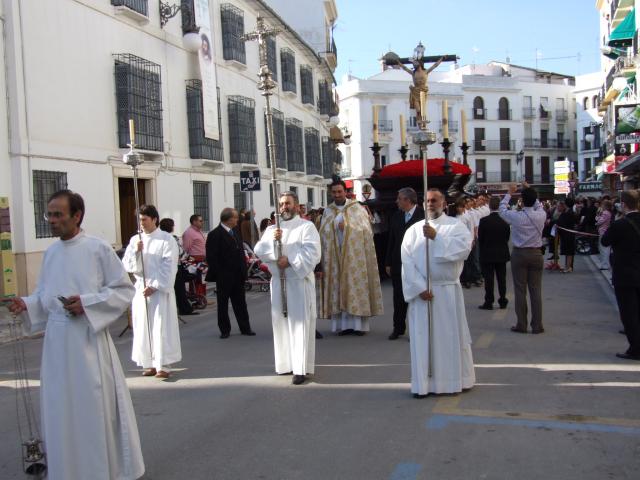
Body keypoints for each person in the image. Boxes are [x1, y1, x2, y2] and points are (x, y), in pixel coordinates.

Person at [7, 190, 145, 479]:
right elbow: (44, 295)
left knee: (90, 410)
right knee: (60, 410)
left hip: (88, 343)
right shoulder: (51, 252)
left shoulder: (98, 248)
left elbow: (123, 290)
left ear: (77, 215)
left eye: (58, 214)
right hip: (57, 347)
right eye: (49, 215)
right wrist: (26, 304)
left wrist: (87, 303)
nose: (52, 221)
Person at [401, 188, 474, 397]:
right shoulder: (413, 230)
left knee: (449, 338)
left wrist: (437, 237)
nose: (430, 204)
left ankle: (453, 381)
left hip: (447, 292)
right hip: (423, 295)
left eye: (434, 200)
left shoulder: (456, 226)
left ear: (444, 204)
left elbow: (463, 250)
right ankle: (423, 384)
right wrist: (419, 288)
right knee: (423, 339)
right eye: (427, 201)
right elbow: (406, 261)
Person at [254, 191, 322, 385]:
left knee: (299, 324)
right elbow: (259, 250)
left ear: (297, 206)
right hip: (279, 283)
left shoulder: (307, 227)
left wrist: (290, 261)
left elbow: (313, 253)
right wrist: (273, 245)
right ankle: (285, 364)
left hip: (298, 282)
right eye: (282, 204)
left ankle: (300, 368)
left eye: (288, 203)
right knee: (281, 323)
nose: (284, 207)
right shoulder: (273, 229)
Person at [123, 204, 182, 379]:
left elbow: (169, 265)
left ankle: (163, 364)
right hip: (141, 289)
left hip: (159, 291)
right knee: (143, 327)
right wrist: (135, 252)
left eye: (144, 220)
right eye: (139, 220)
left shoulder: (166, 239)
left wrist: (155, 285)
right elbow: (127, 265)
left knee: (160, 327)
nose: (141, 223)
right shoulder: (135, 240)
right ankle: (148, 362)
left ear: (154, 219)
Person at [318, 179, 383, 335]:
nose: (337, 194)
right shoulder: (328, 211)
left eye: (340, 191)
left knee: (355, 288)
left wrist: (347, 228)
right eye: (334, 192)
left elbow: (366, 231)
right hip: (334, 258)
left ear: (345, 191)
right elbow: (322, 234)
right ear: (330, 193)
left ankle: (359, 326)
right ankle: (343, 326)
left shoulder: (357, 208)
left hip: (354, 257)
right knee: (338, 289)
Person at [499, 182, 546, 334]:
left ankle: (522, 324)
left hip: (519, 254)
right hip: (536, 253)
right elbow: (538, 205)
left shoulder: (516, 217)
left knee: (520, 290)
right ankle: (537, 325)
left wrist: (509, 193)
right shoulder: (541, 215)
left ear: (522, 201)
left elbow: (502, 210)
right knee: (536, 290)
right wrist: (529, 190)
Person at [601, 190, 640, 360]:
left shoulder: (620, 224)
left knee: (629, 313)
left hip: (625, 274)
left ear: (623, 205)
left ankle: (635, 348)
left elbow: (605, 240)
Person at [205, 208, 255, 338]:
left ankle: (245, 327)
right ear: (229, 219)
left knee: (240, 303)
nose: (238, 220)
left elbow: (240, 252)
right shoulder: (215, 234)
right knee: (223, 304)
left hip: (238, 275)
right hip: (224, 276)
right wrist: (220, 274)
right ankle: (225, 330)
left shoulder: (235, 231)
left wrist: (244, 270)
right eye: (236, 218)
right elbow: (211, 257)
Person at [384, 187, 424, 340]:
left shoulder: (423, 216)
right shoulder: (396, 216)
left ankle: (417, 328)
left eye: (399, 199)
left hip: (417, 263)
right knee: (399, 297)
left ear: (408, 200)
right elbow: (391, 240)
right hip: (398, 263)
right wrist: (388, 261)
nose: (396, 201)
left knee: (416, 296)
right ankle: (398, 327)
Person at [477, 196, 511, 310]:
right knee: (502, 278)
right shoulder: (505, 222)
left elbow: (480, 238)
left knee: (489, 279)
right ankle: (502, 300)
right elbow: (507, 238)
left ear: (490, 206)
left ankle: (489, 301)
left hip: (487, 253)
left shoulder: (484, 221)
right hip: (501, 253)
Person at [159, 218, 198, 316]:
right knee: (180, 289)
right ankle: (184, 309)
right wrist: (189, 258)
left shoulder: (159, 238)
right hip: (176, 266)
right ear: (171, 227)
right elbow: (180, 252)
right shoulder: (173, 238)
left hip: (163, 267)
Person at [396, 52, 444, 121]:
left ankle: (422, 120)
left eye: (415, 63)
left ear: (420, 63)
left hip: (423, 91)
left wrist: (441, 58)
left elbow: (435, 65)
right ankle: (419, 120)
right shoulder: (413, 73)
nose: (414, 64)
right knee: (418, 110)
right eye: (413, 63)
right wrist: (398, 63)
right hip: (415, 92)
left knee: (422, 108)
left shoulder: (426, 72)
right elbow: (405, 68)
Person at [556, 199, 577, 273]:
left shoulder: (569, 213)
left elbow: (561, 222)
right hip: (567, 234)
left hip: (568, 234)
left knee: (569, 251)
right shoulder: (568, 212)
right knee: (567, 251)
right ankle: (567, 266)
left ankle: (568, 267)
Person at [596, 199, 613, 270]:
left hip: (603, 231)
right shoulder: (607, 212)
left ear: (605, 206)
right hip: (604, 231)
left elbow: (599, 221)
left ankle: (605, 264)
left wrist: (597, 218)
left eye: (602, 204)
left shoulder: (605, 213)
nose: (601, 206)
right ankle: (604, 264)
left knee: (604, 249)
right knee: (604, 249)